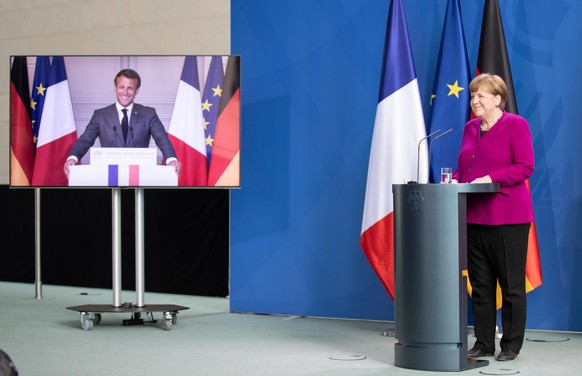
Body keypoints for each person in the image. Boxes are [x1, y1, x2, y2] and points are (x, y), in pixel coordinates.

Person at [451, 73, 534, 362]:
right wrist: (456, 180)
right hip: (474, 217)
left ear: (498, 99)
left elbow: (525, 166)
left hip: (508, 217)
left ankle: (510, 345)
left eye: (480, 96)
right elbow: (466, 167)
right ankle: (484, 342)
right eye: (472, 96)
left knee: (511, 287)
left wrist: (491, 178)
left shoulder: (516, 125)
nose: (474, 100)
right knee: (481, 286)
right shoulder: (470, 128)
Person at [64, 69, 180, 177]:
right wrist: (73, 158)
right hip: (109, 175)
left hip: (139, 175)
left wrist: (171, 160)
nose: (125, 92)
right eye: (121, 87)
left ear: (137, 91)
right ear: (115, 88)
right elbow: (86, 139)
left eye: (130, 88)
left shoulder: (149, 114)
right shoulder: (100, 115)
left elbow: (161, 138)